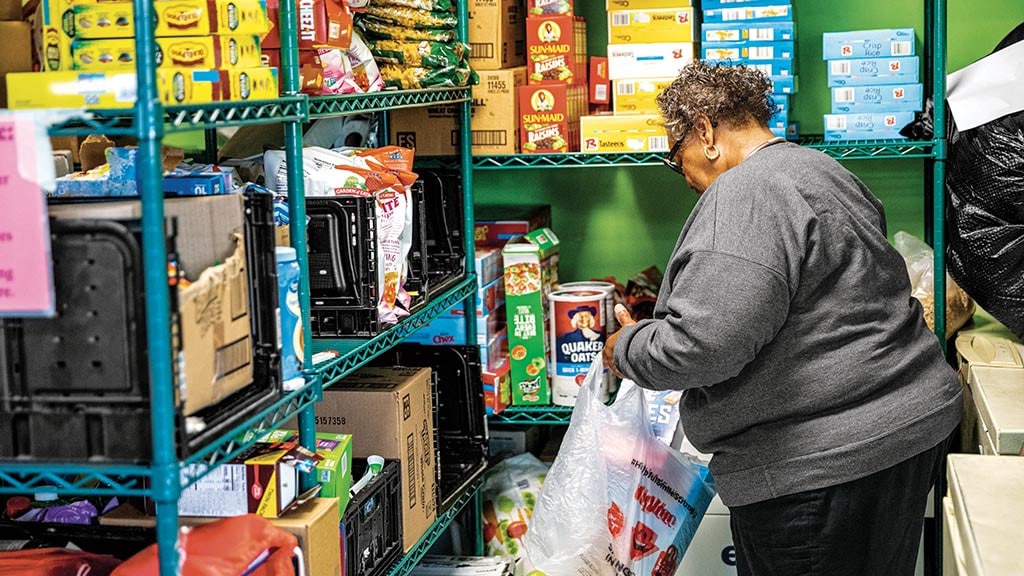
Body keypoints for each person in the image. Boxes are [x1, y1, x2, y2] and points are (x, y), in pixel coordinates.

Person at [602, 61, 962, 576]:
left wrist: (629, 348)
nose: (682, 173)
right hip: (902, 429)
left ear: (705, 131)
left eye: (674, 155)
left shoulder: (745, 192)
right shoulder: (820, 168)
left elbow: (706, 345)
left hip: (819, 466)